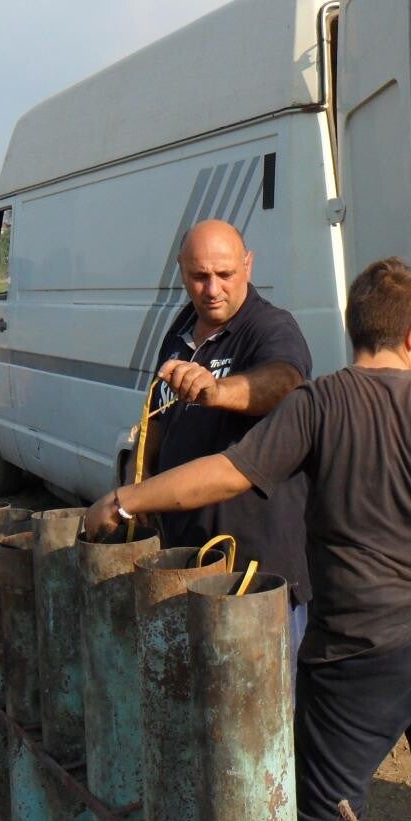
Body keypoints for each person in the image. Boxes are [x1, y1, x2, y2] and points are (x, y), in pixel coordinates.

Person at [86, 258, 411, 821]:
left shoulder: (319, 403)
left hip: (363, 644)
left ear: (354, 327)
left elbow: (227, 474)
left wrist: (127, 498)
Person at [142, 219, 315, 650]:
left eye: (225, 274)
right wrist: (140, 483)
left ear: (248, 265)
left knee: (264, 688)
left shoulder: (271, 327)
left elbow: (285, 381)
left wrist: (217, 390)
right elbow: (158, 419)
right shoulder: (180, 330)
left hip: (256, 574)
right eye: (199, 276)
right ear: (181, 270)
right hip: (190, 560)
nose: (212, 289)